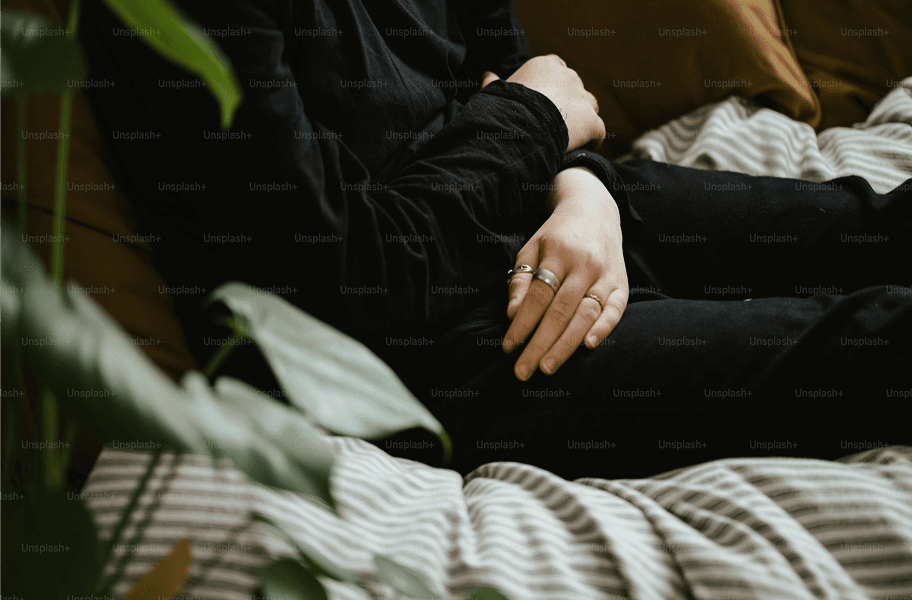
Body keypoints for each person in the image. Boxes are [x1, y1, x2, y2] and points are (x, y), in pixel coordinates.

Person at [79, 0, 911, 479]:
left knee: (874, 229)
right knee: (871, 344)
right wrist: (536, 119)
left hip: (536, 199)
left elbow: (512, 71)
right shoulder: (180, 18)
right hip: (432, 345)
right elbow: (360, 279)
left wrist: (582, 189)